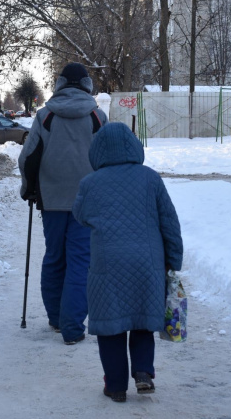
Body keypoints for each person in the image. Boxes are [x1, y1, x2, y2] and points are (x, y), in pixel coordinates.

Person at [72, 122, 183, 402]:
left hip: (107, 264)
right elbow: (169, 221)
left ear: (96, 152)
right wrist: (174, 259)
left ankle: (116, 386)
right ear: (134, 147)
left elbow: (80, 216)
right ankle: (143, 372)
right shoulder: (150, 178)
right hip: (148, 263)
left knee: (110, 327)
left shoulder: (90, 183)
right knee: (143, 320)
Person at [18, 62, 108, 345]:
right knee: (81, 261)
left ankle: (56, 319)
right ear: (87, 85)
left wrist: (29, 189)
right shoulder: (97, 116)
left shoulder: (45, 116)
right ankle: (72, 327)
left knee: (54, 258)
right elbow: (107, 156)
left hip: (51, 200)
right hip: (88, 202)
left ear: (58, 84)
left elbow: (28, 157)